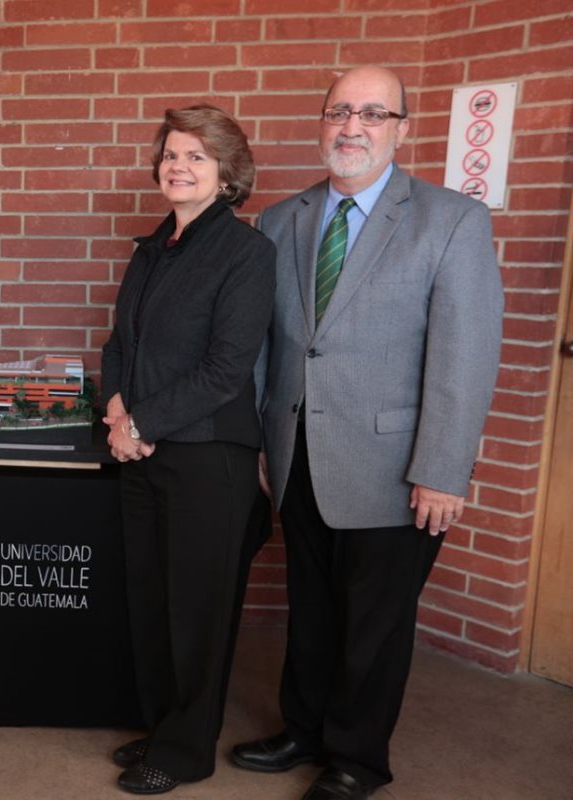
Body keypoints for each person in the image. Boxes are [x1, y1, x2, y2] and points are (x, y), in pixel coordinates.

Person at [230, 66, 504, 800]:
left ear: (402, 129)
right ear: (321, 123)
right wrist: (264, 442)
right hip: (299, 456)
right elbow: (269, 348)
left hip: (398, 465)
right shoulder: (283, 219)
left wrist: (444, 469)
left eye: (373, 114)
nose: (352, 127)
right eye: (339, 112)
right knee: (312, 609)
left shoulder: (450, 220)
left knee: (374, 627)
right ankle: (304, 731)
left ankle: (356, 759)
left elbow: (465, 354)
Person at [101, 105, 276, 795]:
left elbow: (225, 368)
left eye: (197, 157)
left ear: (227, 173)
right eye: (172, 154)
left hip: (210, 458)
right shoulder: (150, 249)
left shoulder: (246, 254)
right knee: (152, 600)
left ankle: (188, 749)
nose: (179, 166)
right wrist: (116, 410)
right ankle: (164, 726)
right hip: (142, 450)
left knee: (197, 611)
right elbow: (120, 344)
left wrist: (139, 423)